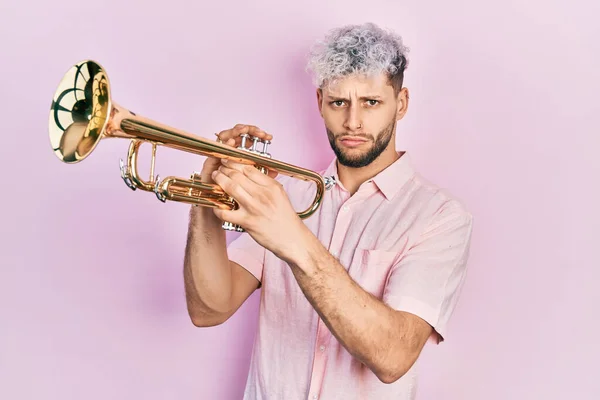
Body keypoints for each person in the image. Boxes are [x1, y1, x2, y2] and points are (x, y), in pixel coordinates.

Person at [183, 22, 474, 400]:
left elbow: (393, 356)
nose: (353, 121)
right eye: (339, 103)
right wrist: (206, 200)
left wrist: (292, 237)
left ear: (400, 104)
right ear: (320, 101)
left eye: (371, 102)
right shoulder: (284, 193)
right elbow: (210, 309)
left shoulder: (440, 217)